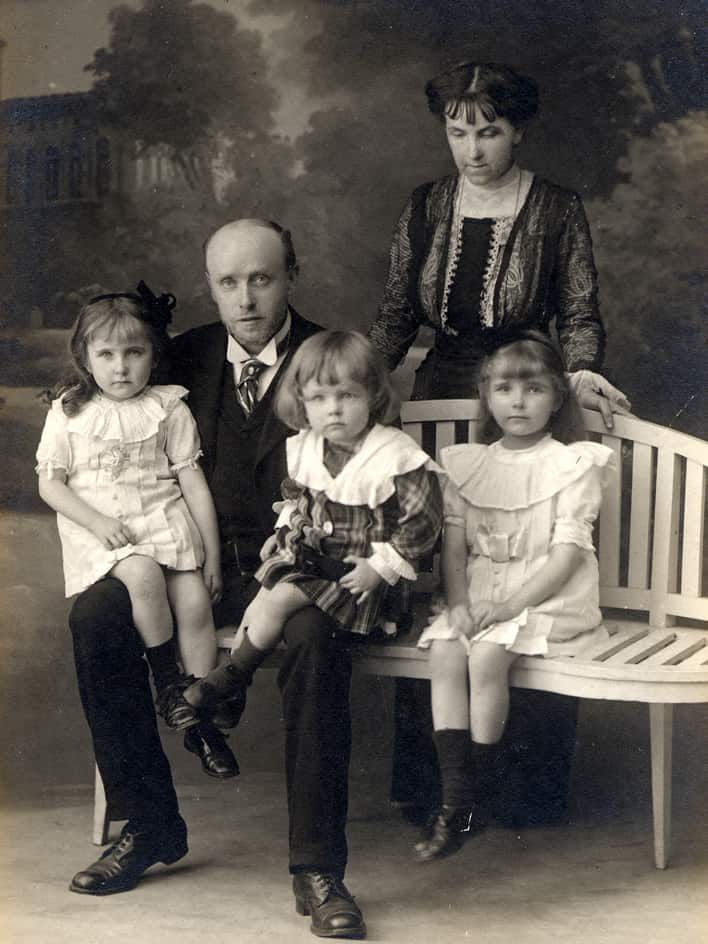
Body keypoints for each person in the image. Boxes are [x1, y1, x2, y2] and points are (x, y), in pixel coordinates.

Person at [65, 219, 371, 940]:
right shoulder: (184, 354)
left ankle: (317, 867)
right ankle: (148, 825)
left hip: (294, 565)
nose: (246, 297)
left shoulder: (330, 358)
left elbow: (366, 467)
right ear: (210, 287)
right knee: (95, 618)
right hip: (186, 560)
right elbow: (110, 387)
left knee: (313, 636)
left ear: (291, 274)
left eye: (261, 278)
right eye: (228, 282)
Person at [367, 61, 631, 826]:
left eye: (488, 131)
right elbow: (394, 314)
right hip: (438, 395)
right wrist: (357, 387)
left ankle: (519, 795)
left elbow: (580, 309)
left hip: (523, 391)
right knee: (445, 568)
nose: (473, 149)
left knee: (526, 560)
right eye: (457, 132)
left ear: (517, 130)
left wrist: (579, 372)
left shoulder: (555, 208)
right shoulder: (425, 207)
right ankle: (435, 792)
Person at [412, 329, 613, 861]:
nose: (517, 401)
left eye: (533, 389)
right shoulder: (469, 464)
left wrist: (506, 607)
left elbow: (567, 556)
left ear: (556, 398)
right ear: (486, 394)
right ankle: (457, 801)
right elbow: (454, 549)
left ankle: (471, 792)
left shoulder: (572, 464)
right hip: (479, 589)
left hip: (547, 594)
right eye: (503, 389)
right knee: (448, 650)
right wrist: (458, 603)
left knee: (488, 655)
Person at [184, 330, 443, 728]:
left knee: (281, 596)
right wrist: (286, 526)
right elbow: (302, 499)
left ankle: (231, 676)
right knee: (269, 595)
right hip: (319, 562)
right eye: (320, 398)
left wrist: (380, 568)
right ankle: (232, 679)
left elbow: (424, 523)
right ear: (302, 401)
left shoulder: (394, 454)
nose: (333, 410)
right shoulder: (309, 445)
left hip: (362, 580)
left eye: (347, 396)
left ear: (372, 396)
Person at [36, 287, 221, 734]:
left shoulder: (168, 406)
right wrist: (97, 522)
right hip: (104, 530)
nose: (121, 367)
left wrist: (210, 555)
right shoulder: (69, 411)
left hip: (161, 523)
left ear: (154, 355)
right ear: (85, 357)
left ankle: (201, 719)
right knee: (142, 574)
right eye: (107, 354)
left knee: (195, 600)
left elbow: (192, 484)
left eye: (134, 352)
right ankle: (168, 683)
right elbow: (50, 485)